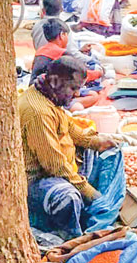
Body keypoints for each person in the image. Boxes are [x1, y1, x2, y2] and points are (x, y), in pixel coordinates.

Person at [21, 56, 123, 239]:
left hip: (61, 167)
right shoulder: (38, 112)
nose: (77, 94)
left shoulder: (49, 93)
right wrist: (89, 191)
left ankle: (96, 210)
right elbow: (54, 165)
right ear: (54, 81)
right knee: (67, 197)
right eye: (74, 88)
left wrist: (97, 141)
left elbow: (70, 128)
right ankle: (72, 235)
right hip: (38, 181)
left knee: (110, 152)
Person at [31, 18, 71, 83]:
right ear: (62, 35)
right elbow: (80, 74)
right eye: (67, 35)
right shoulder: (62, 53)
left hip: (33, 89)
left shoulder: (40, 51)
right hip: (47, 91)